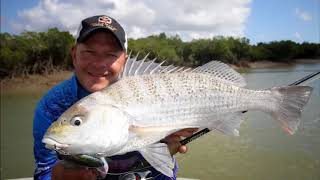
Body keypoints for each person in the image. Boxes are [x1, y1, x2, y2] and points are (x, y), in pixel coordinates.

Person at [33, 15, 197, 180]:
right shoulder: (51, 106)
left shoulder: (145, 86)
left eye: (111, 55)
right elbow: (44, 172)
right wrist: (65, 175)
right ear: (74, 55)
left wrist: (165, 144)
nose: (99, 64)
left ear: (124, 60)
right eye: (89, 52)